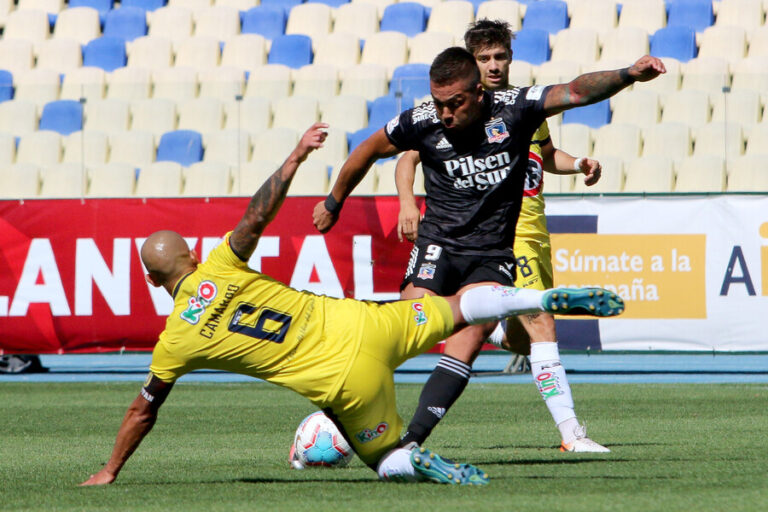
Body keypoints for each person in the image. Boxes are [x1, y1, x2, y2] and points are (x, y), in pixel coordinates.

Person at [80, 123, 625, 487]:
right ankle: (536, 299)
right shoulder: (221, 263)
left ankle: (421, 464)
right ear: (193, 255)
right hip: (370, 322)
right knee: (462, 307)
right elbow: (257, 214)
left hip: (344, 384)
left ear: (153, 281)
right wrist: (296, 156)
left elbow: (143, 409)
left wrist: (109, 470)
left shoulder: (175, 342)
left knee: (385, 459)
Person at [312, 49, 664, 453]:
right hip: (438, 245)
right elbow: (369, 149)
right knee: (409, 328)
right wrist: (334, 202)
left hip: (491, 255)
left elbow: (574, 92)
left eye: (455, 104)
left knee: (468, 341)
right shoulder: (422, 121)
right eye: (439, 103)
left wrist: (628, 74)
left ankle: (408, 446)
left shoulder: (516, 109)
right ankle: (338, 409)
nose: (445, 114)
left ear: (479, 93)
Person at [394, 19, 607, 453]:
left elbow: (546, 156)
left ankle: (486, 325)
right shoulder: (449, 109)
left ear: (510, 58)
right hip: (483, 236)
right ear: (470, 67)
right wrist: (405, 202)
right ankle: (572, 435)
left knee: (523, 336)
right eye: (484, 58)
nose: (493, 65)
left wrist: (579, 163)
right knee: (540, 321)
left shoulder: (527, 105)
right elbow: (408, 156)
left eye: (500, 56)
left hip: (529, 229)